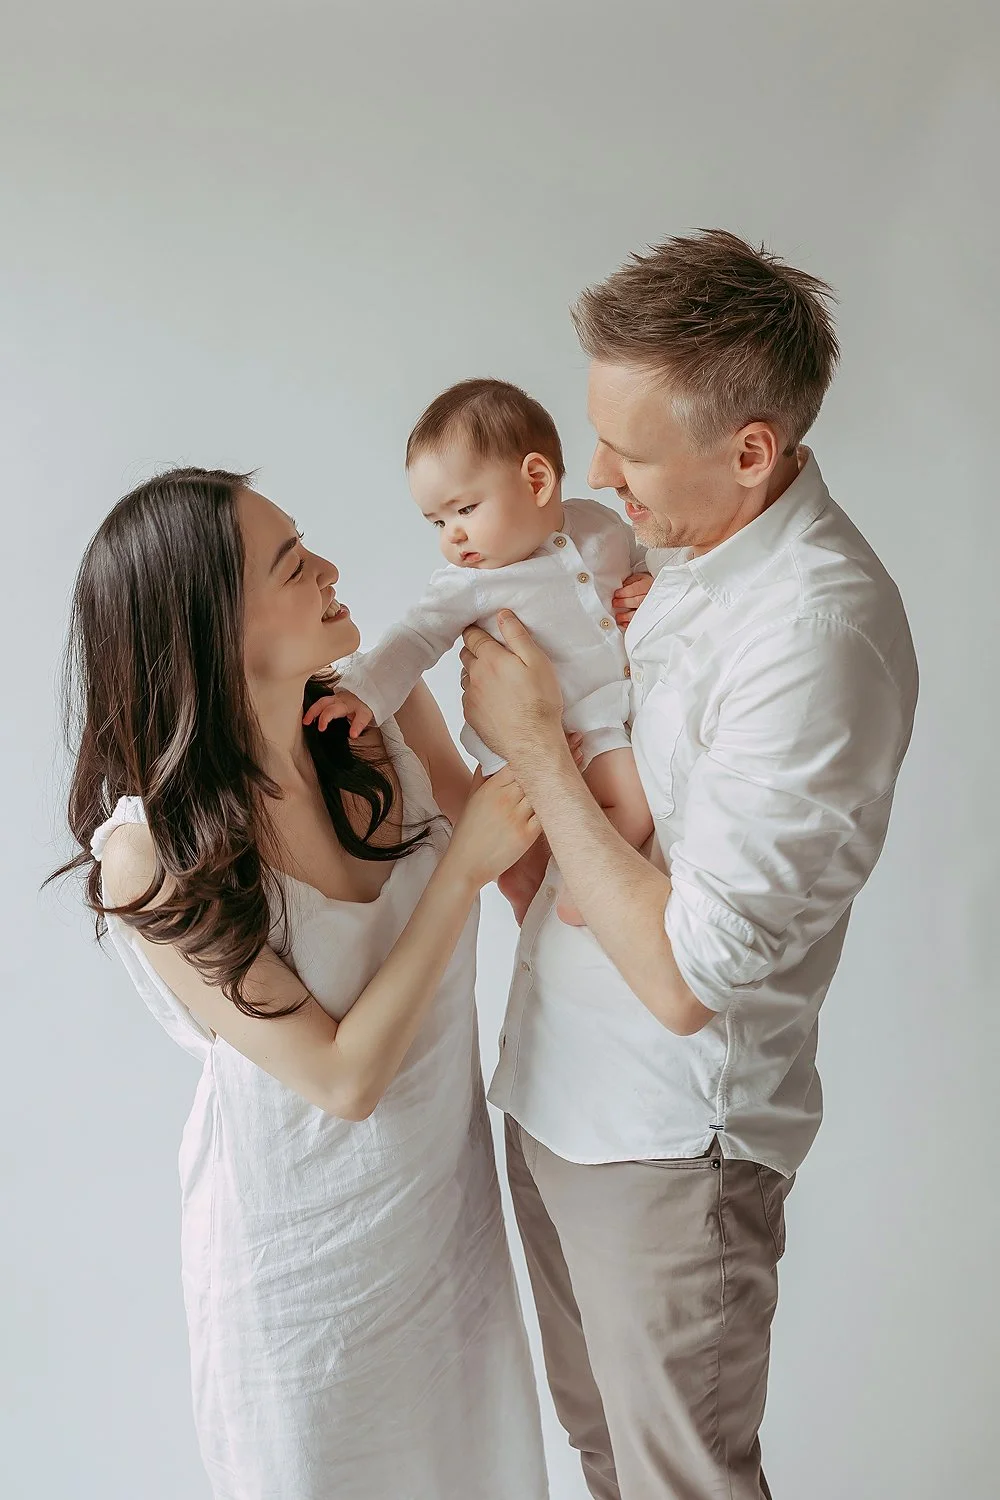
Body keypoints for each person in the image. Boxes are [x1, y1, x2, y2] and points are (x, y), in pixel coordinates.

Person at [458, 230, 919, 1499]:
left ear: (750, 453)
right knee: (611, 1463)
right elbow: (579, 872)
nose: (595, 474)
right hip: (553, 1096)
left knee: (678, 1484)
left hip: (666, 1142)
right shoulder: (669, 561)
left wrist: (539, 755)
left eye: (628, 450)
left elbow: (684, 980)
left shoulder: (816, 634)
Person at [53, 468, 549, 1500]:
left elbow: (531, 870)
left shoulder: (381, 711)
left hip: (445, 1248)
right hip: (303, 1291)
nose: (328, 569)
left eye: (307, 543)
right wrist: (459, 869)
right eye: (290, 565)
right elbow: (338, 1079)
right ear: (210, 630)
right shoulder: (150, 853)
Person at [308, 377, 654, 925]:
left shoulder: (600, 523)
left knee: (633, 803)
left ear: (537, 480)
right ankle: (526, 905)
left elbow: (641, 559)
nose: (453, 536)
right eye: (439, 522)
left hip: (601, 721)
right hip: (519, 747)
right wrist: (364, 694)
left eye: (466, 508)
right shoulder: (467, 585)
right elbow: (415, 637)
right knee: (505, 852)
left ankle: (579, 894)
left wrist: (646, 586)